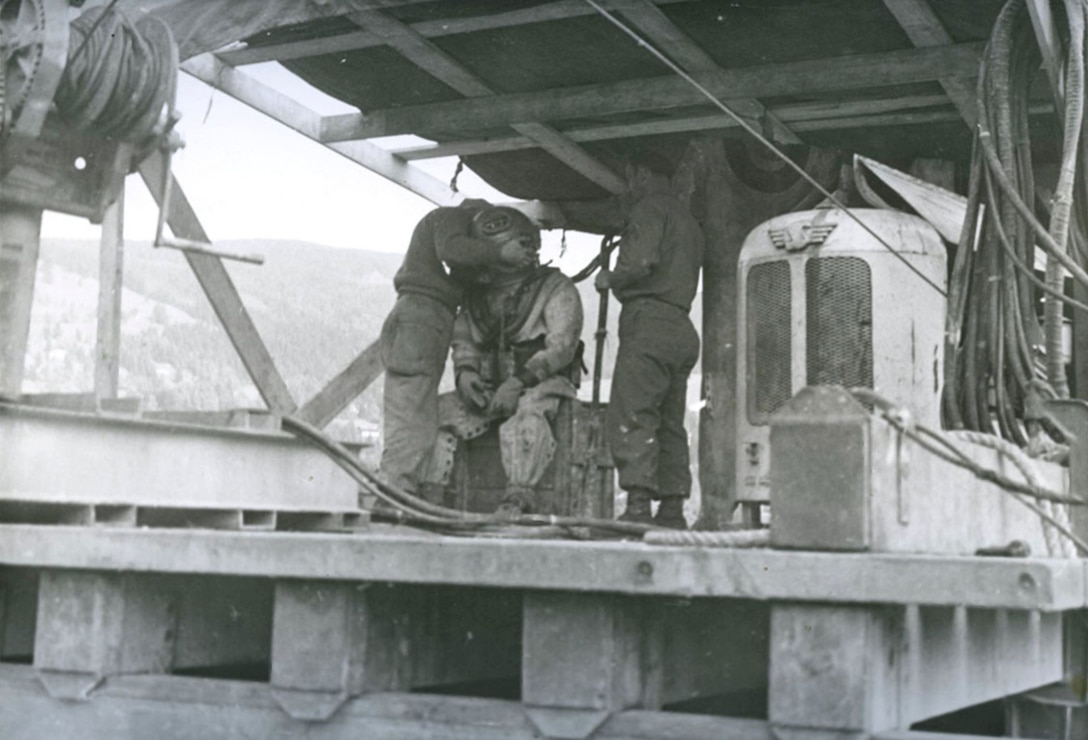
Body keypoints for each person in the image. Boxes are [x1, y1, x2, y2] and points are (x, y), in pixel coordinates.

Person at [418, 206, 584, 516]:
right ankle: (431, 498)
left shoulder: (555, 287)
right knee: (436, 414)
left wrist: (519, 382)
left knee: (527, 417)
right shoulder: (477, 294)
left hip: (542, 384)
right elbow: (464, 338)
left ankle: (518, 497)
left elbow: (562, 346)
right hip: (490, 387)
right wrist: (466, 374)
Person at [379, 199, 537, 498]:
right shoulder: (450, 217)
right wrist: (500, 252)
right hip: (423, 318)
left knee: (415, 409)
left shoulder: (439, 235)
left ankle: (398, 492)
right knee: (414, 412)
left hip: (419, 317)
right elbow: (453, 249)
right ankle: (395, 494)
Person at [596, 153, 704, 529]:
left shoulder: (648, 209)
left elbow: (640, 262)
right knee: (671, 421)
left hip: (649, 322)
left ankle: (639, 506)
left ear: (639, 171)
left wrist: (611, 278)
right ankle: (672, 510)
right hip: (681, 324)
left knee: (634, 411)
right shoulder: (690, 221)